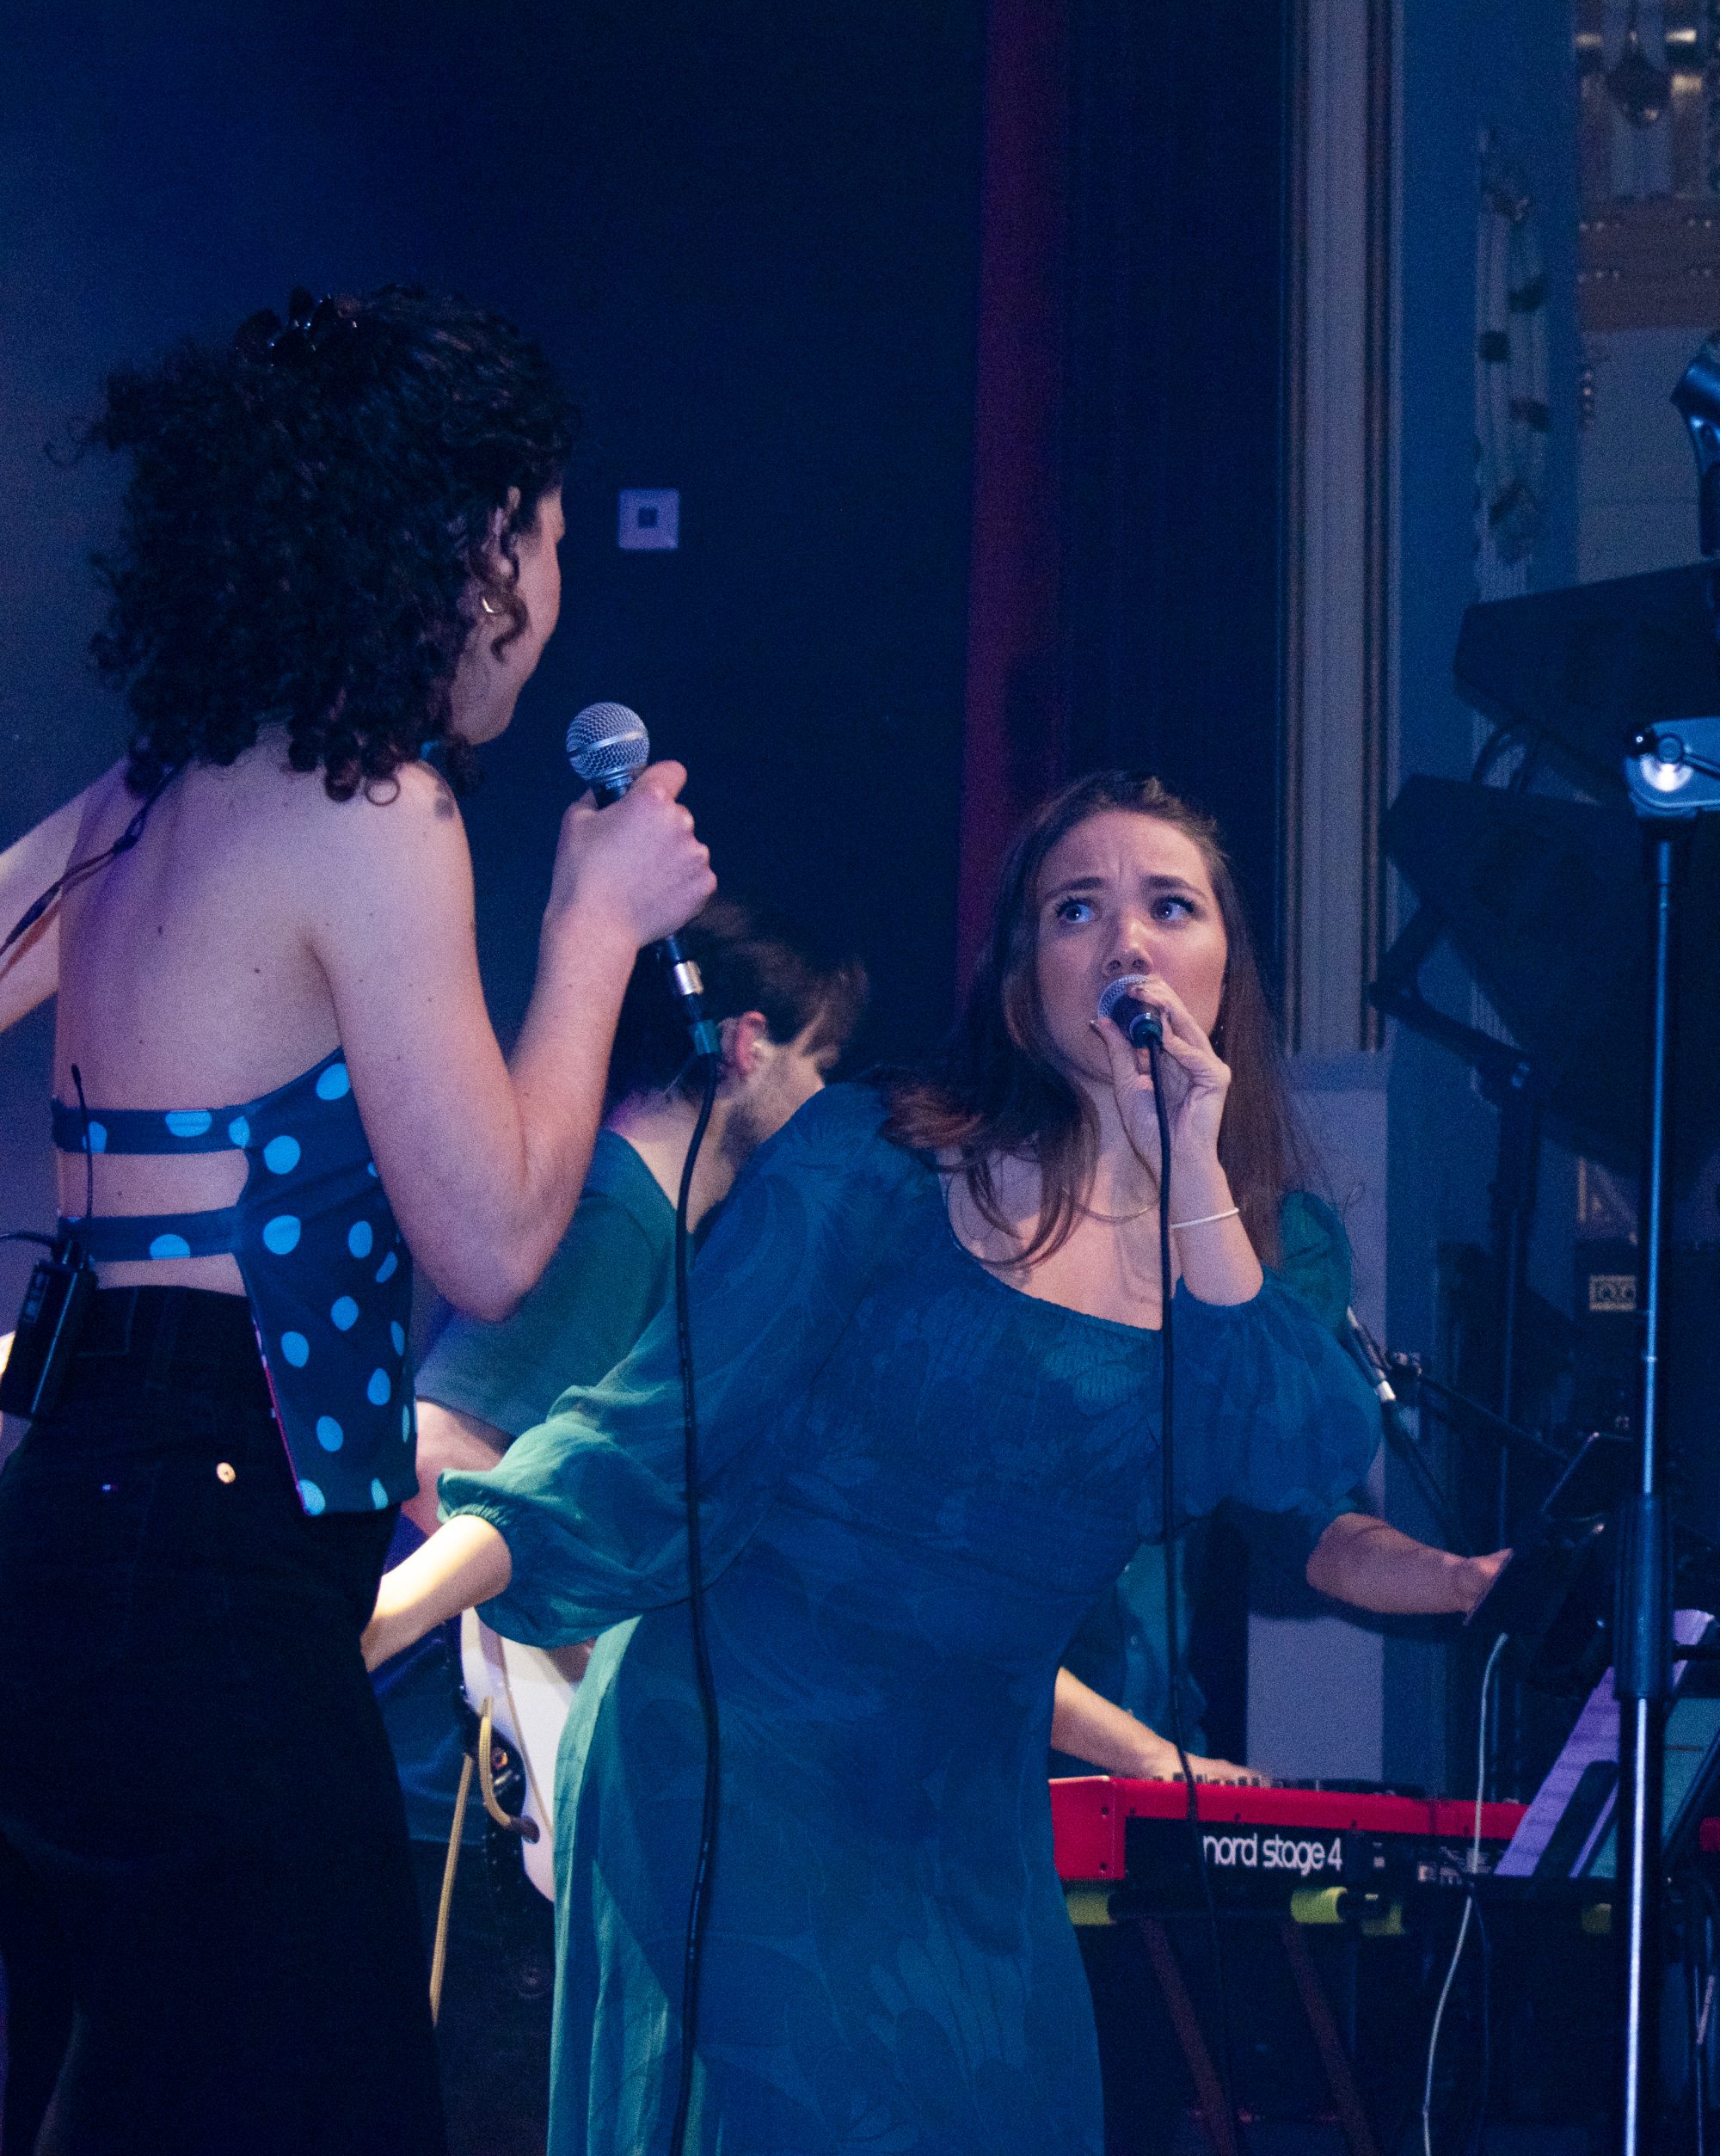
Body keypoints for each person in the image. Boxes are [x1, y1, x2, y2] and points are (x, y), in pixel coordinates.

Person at [365, 766, 1401, 2155]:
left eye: (1171, 906)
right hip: (737, 1756)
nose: (1126, 940)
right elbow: (646, 1436)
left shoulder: (1253, 1256)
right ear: (1024, 983)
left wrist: (1192, 1164)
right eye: (1076, 909)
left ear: (1226, 971)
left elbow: (1303, 1450)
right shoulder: (877, 1165)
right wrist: (385, 1612)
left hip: (963, 1818)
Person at [0, 285, 714, 2156]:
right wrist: (592, 932)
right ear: (470, 547)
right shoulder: (375, 804)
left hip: (72, 1520)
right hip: (211, 1552)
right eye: (546, 540)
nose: (550, 599)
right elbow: (491, 1239)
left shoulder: (152, 792)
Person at [376, 895, 869, 2156]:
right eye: (819, 1061)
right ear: (744, 1047)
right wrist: (606, 1653)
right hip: (460, 1802)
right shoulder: (615, 1217)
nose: (829, 1103)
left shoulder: (656, 1236)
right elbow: (438, 1450)